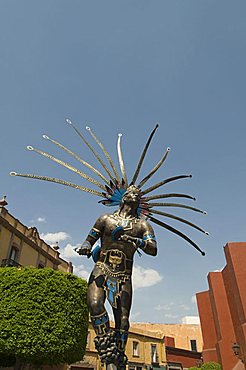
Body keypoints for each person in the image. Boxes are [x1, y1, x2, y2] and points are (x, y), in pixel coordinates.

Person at [76, 185, 157, 368]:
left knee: (123, 321)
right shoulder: (105, 219)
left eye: (138, 194)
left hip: (124, 275)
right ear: (123, 197)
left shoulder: (142, 225)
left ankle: (118, 359)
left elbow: (153, 249)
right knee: (95, 304)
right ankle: (107, 347)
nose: (134, 194)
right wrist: (86, 246)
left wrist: (132, 240)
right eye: (131, 192)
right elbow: (89, 239)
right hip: (102, 268)